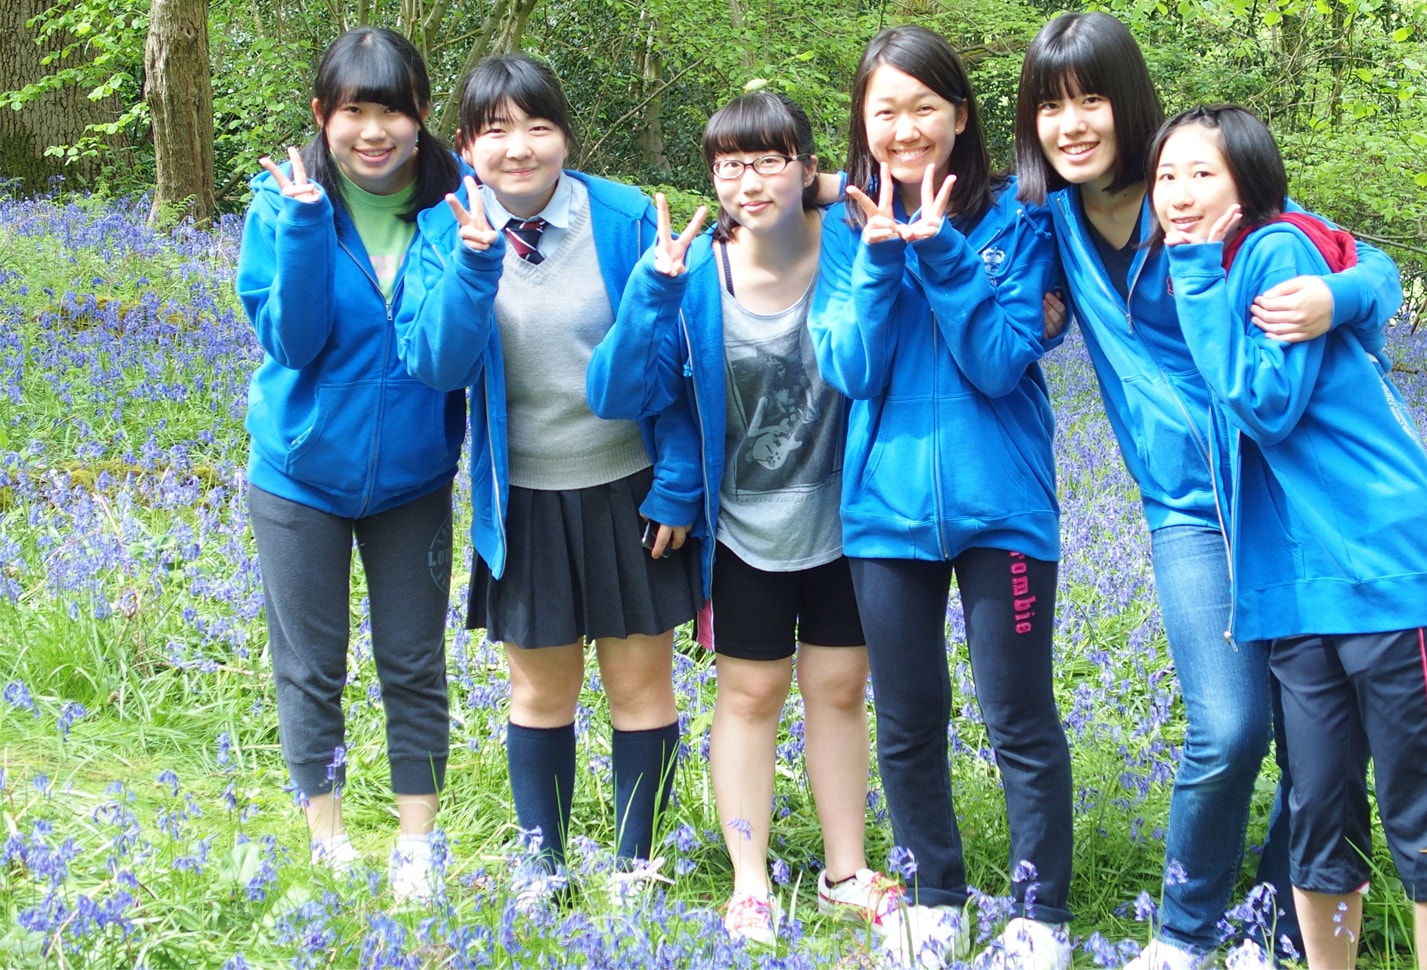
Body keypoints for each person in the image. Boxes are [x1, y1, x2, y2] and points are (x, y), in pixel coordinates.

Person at [1012, 13, 1406, 968]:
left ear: (1128, 101)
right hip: (1186, 505)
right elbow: (916, 184)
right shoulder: (1047, 216)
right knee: (1227, 728)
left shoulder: (1195, 190)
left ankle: (1273, 927)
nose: (1071, 124)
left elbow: (1368, 264)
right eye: (1050, 105)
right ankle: (1185, 936)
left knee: (1321, 734)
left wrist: (1338, 298)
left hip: (1289, 491)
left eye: (1091, 98)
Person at [1151, 103, 1427, 970]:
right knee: (1318, 818)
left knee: (1422, 817)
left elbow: (1265, 403)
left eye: (1202, 174)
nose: (1178, 194)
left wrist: (1196, 278)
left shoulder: (1269, 250)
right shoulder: (1230, 262)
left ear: (1248, 179)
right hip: (1295, 590)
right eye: (1166, 176)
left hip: (1386, 573)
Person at [587, 90, 897, 945]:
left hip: (845, 519)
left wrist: (817, 187)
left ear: (808, 166)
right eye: (729, 165)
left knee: (840, 688)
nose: (748, 182)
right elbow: (619, 393)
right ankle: (751, 883)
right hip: (744, 528)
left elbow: (890, 189)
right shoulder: (695, 274)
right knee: (751, 694)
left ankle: (844, 872)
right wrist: (652, 293)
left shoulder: (849, 240)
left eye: (769, 161)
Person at [397, 52, 700, 898]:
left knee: (640, 684)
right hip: (522, 498)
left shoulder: (626, 218)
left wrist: (679, 481)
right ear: (465, 145)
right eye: (495, 130)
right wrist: (472, 267)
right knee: (540, 691)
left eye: (538, 125)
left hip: (632, 490)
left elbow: (681, 361)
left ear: (566, 135)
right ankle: (545, 865)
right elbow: (435, 364)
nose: (519, 147)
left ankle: (637, 865)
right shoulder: (444, 231)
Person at [808, 25, 1074, 969]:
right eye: (885, 110)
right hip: (885, 516)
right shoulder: (844, 229)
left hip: (1004, 511)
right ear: (863, 123)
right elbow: (849, 367)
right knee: (909, 716)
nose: (906, 127)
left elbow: (1000, 363)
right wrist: (883, 260)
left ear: (960, 115)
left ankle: (1040, 916)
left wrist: (945, 253)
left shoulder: (1019, 220)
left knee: (1019, 716)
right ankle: (934, 899)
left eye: (925, 107)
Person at [236, 25, 465, 901]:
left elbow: (453, 348)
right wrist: (302, 228)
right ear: (322, 114)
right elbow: (292, 343)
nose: (374, 132)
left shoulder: (459, 202)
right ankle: (328, 842)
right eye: (354, 111)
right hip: (298, 477)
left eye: (393, 111)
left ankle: (416, 850)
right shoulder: (282, 201)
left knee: (413, 662)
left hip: (413, 478)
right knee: (311, 665)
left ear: (422, 114)